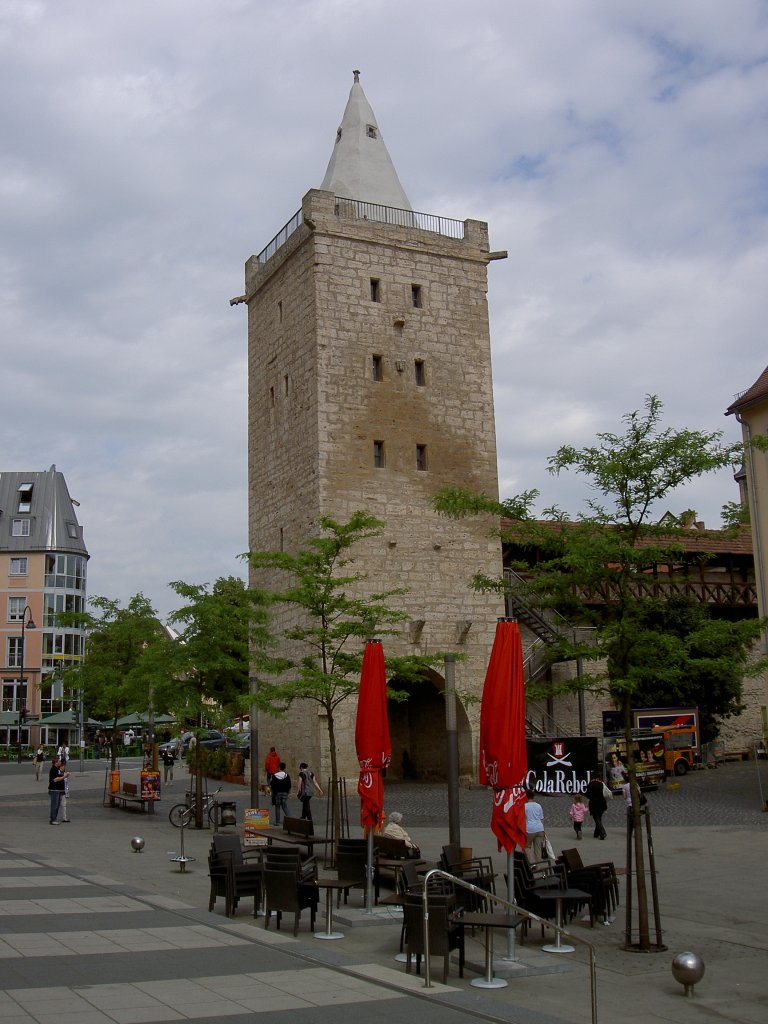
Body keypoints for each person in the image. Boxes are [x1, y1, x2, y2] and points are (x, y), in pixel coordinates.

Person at [524, 788, 547, 862]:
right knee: (538, 849)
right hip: (539, 829)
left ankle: (532, 863)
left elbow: (523, 819)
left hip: (529, 829)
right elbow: (542, 819)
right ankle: (538, 865)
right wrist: (543, 831)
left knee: (527, 847)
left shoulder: (524, 806)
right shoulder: (538, 806)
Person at [586, 773, 609, 839]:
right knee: (599, 818)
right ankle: (596, 833)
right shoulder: (601, 784)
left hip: (594, 803)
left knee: (596, 819)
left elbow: (588, 795)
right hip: (602, 803)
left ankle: (602, 832)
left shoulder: (590, 785)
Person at [48, 757, 68, 824]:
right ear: (55, 763)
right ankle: (53, 819)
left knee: (57, 805)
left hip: (58, 789)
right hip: (54, 790)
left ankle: (54, 819)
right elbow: (55, 779)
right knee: (54, 805)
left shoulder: (57, 769)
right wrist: (64, 777)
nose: (60, 763)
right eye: (59, 761)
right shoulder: (53, 769)